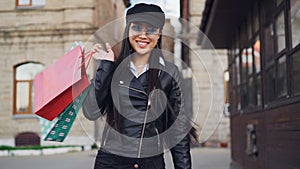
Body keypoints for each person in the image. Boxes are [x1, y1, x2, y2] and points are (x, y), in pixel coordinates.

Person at [83, 3, 198, 169]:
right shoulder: (113, 69)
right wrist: (105, 66)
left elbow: (177, 129)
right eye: (137, 28)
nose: (143, 35)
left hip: (150, 163)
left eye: (150, 30)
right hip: (111, 163)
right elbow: (91, 111)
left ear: (158, 34)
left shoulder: (168, 73)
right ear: (128, 30)